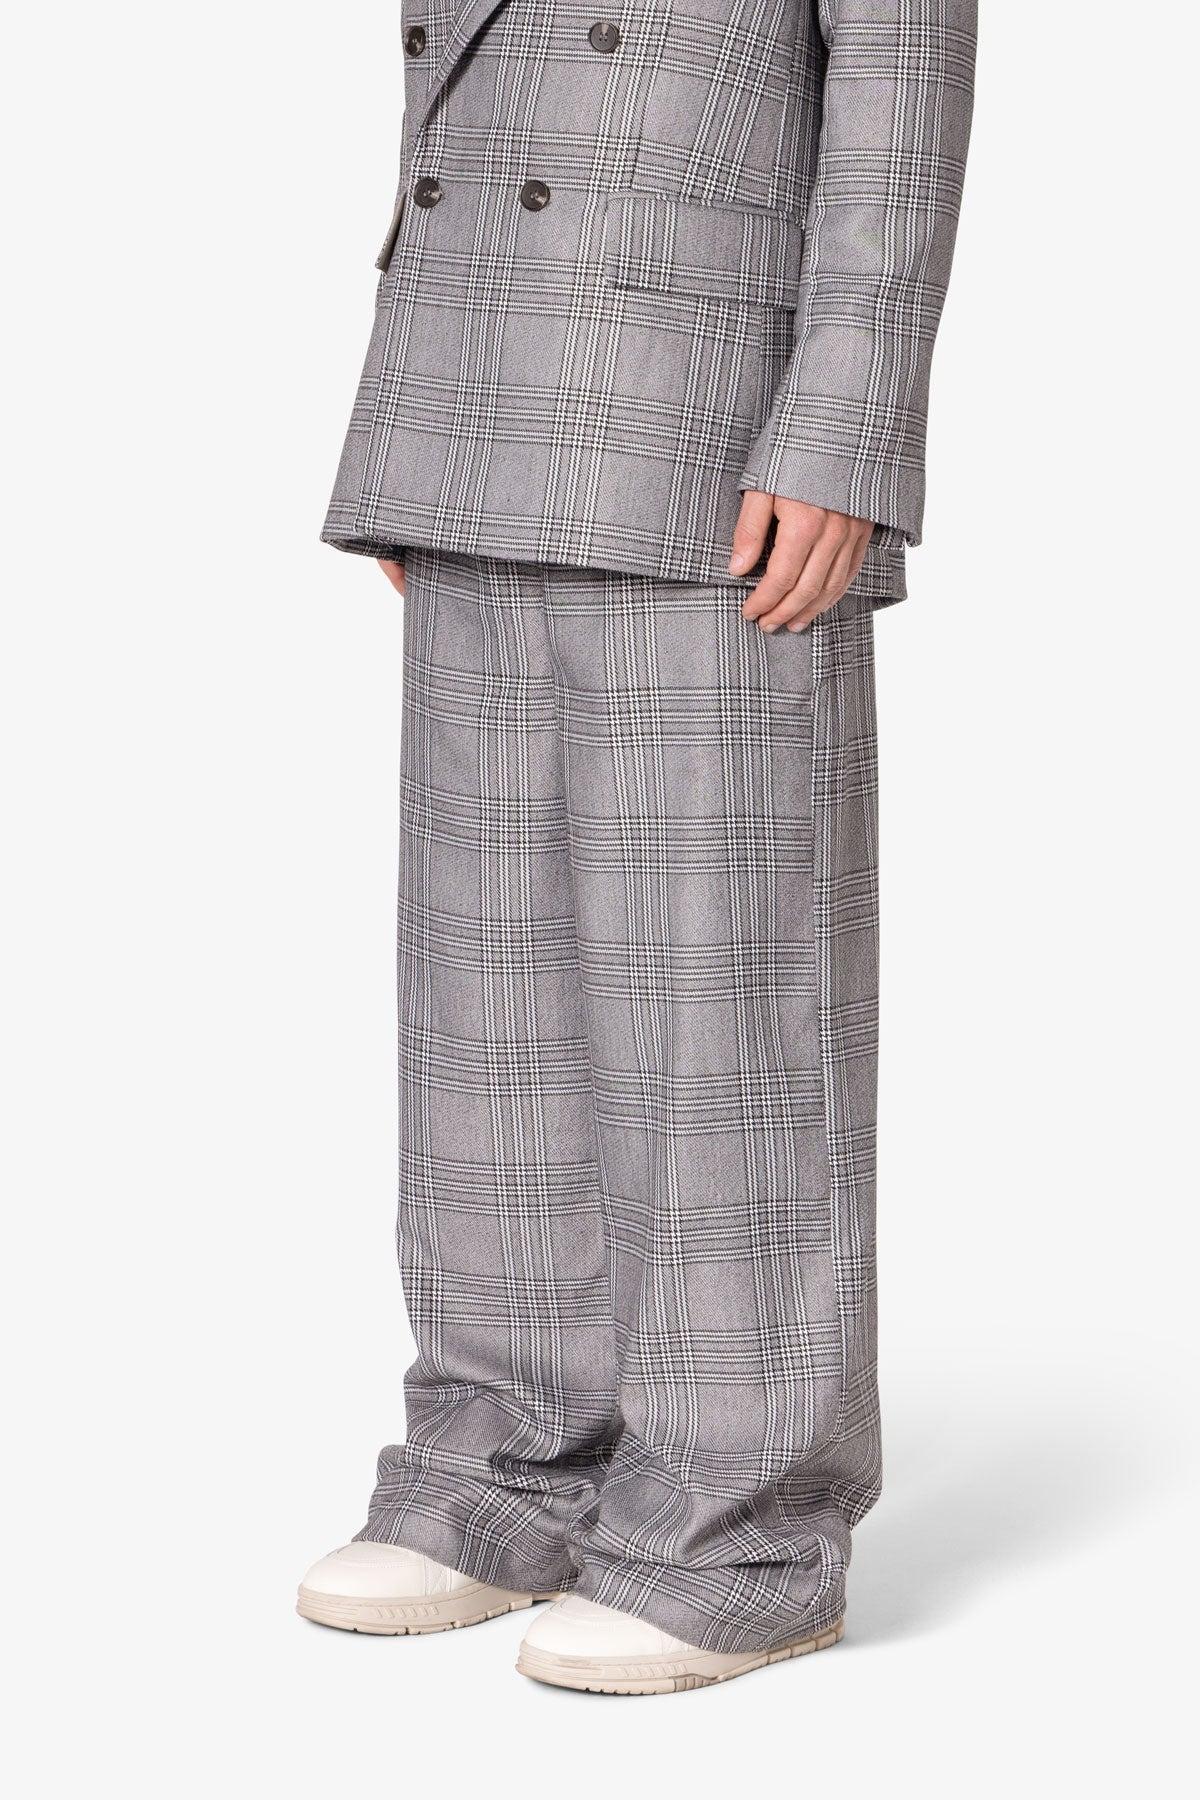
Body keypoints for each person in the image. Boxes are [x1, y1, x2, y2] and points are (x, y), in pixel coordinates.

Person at [299, 0, 976, 1695]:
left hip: (720, 427)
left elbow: (901, 93)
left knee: (716, 1006)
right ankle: (502, 1460)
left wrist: (844, 431)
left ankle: (735, 1528)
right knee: (487, 996)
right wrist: (420, 396)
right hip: (484, 393)